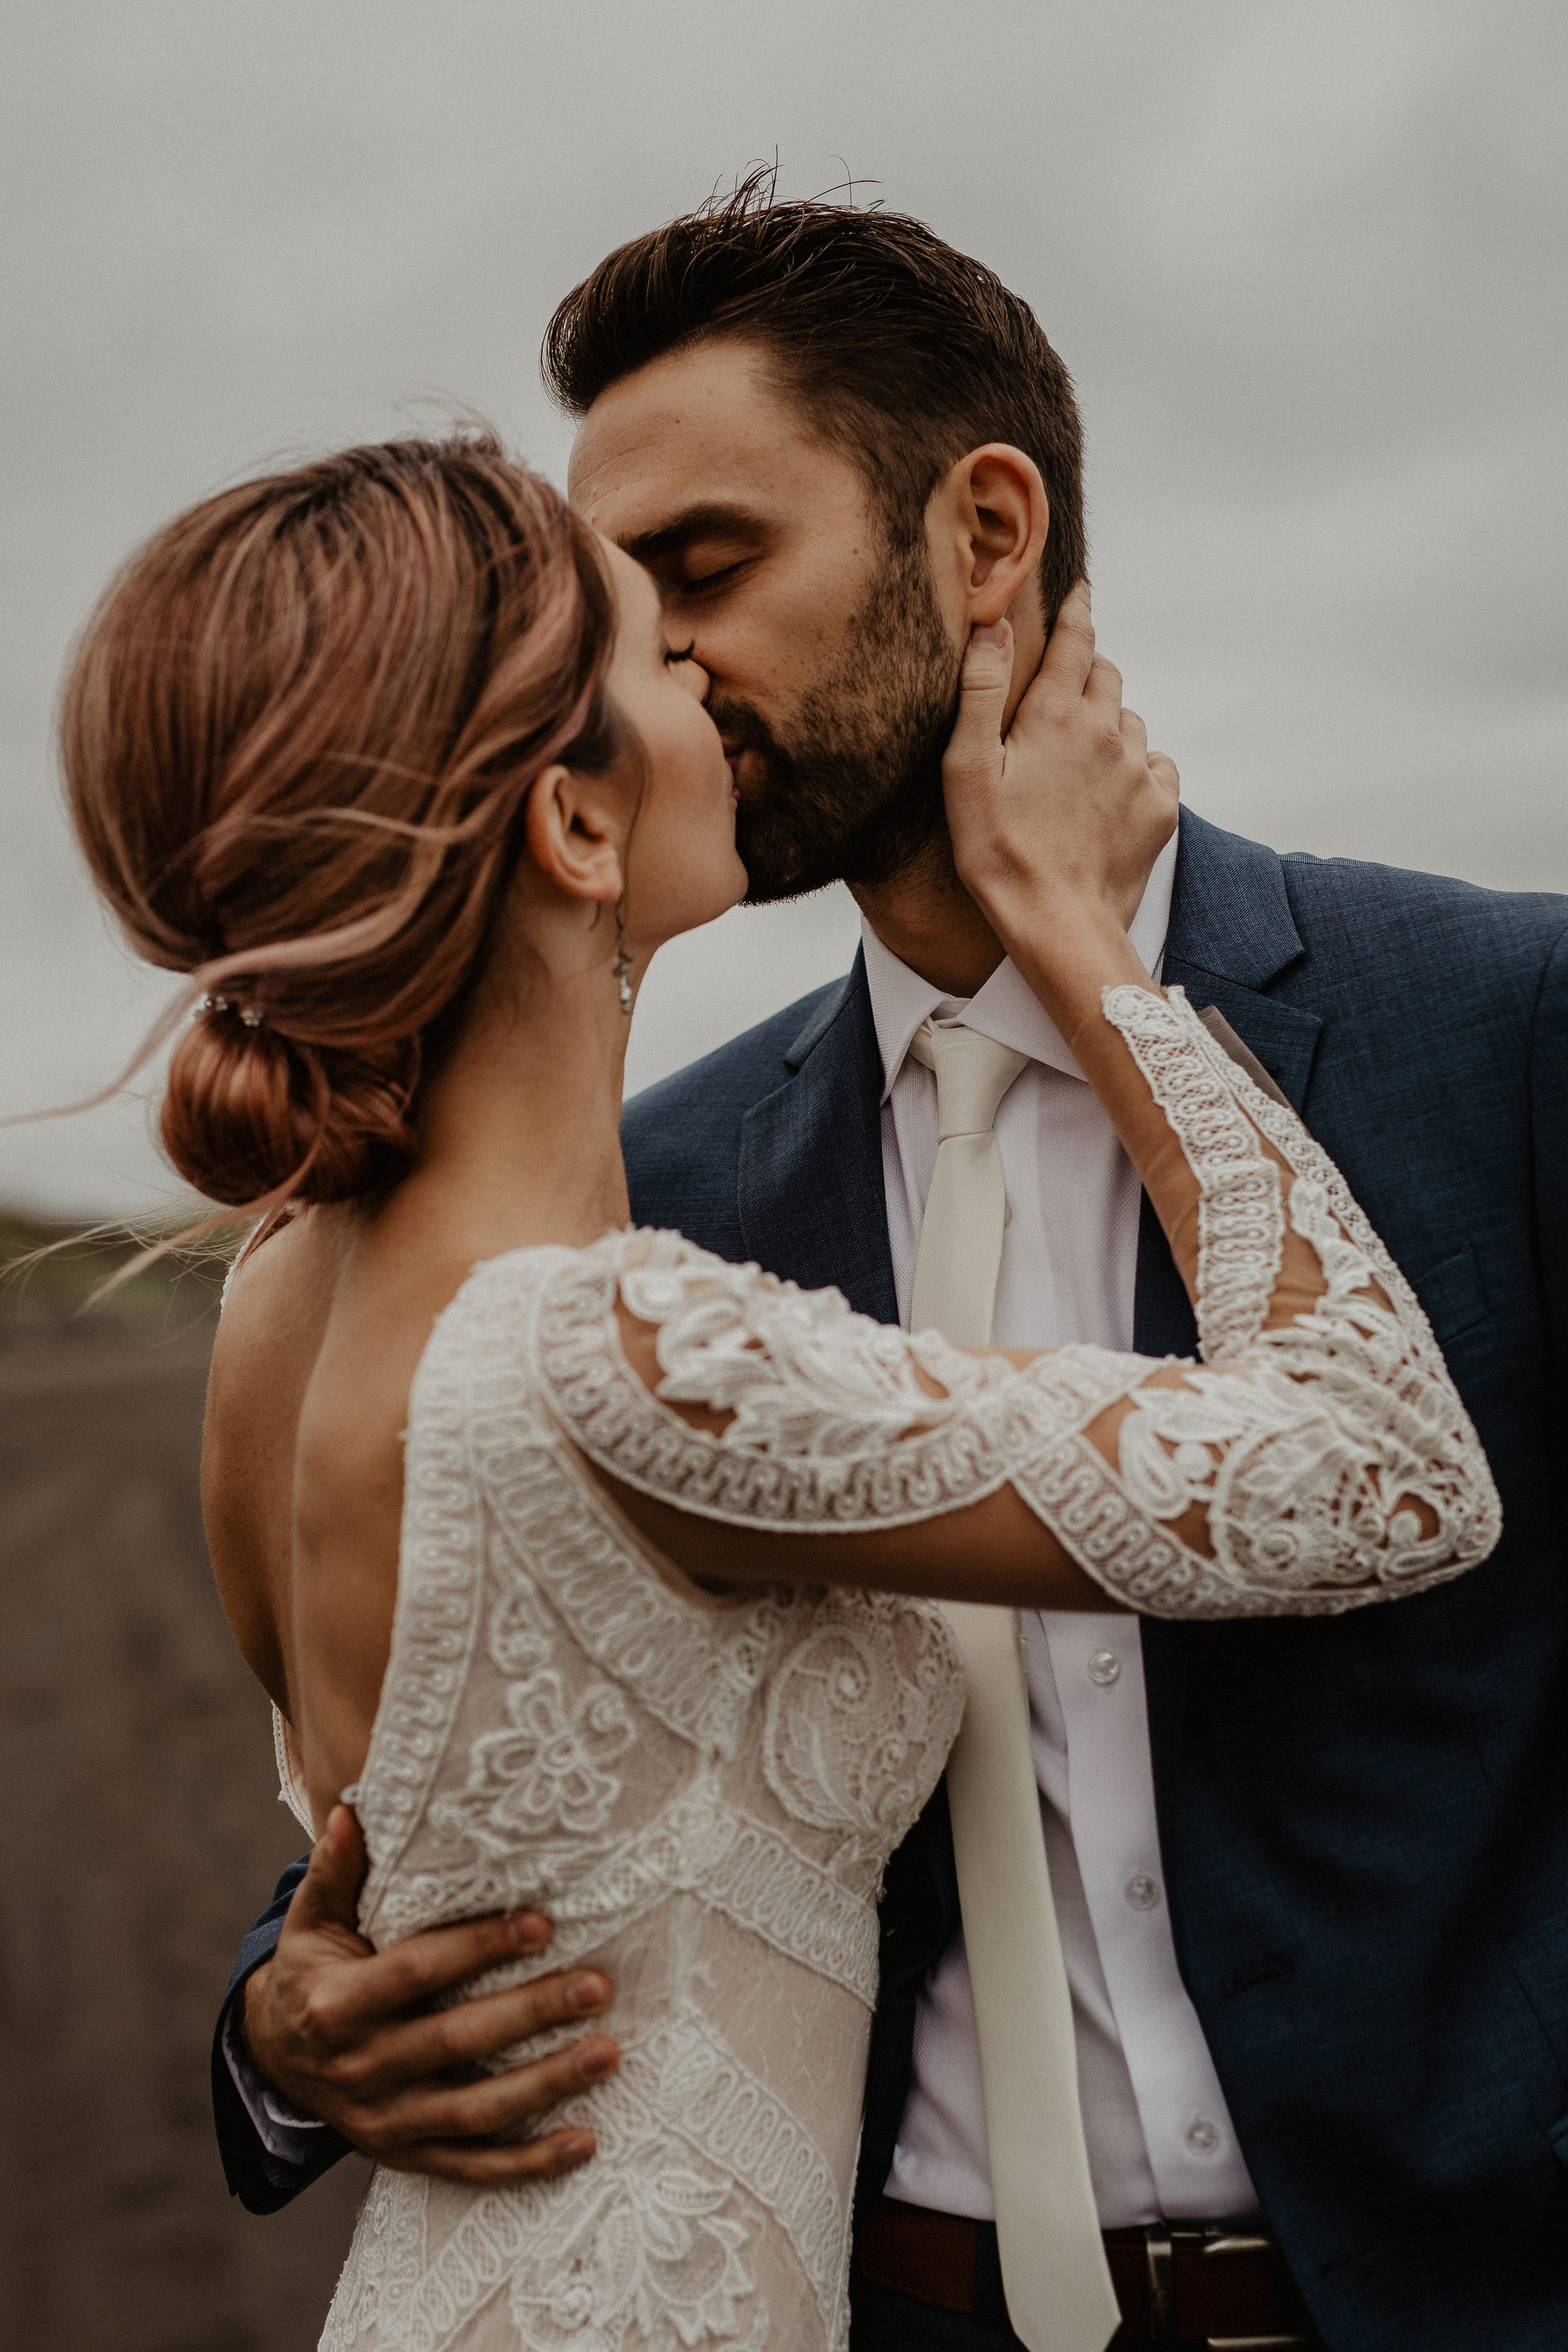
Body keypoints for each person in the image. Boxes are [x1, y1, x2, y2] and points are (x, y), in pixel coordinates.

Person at [203, 197, 1567, 2351]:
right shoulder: (643, 1188)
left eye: (704, 571)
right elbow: (475, 1764)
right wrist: (287, 2035)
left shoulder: (1503, 1025)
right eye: (606, 604)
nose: (642, 669)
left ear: (985, 537)